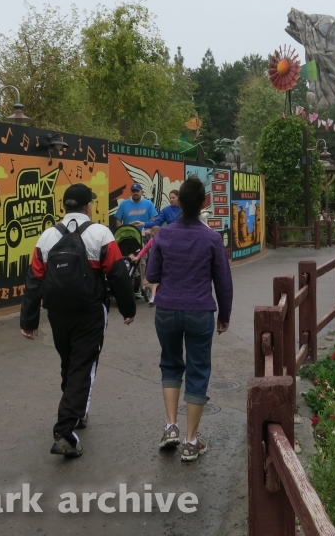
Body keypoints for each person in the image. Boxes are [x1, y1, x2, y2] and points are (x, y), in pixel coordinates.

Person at [20, 183, 136, 458]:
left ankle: (76, 412)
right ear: (88, 206)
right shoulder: (100, 233)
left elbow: (34, 279)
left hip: (57, 313)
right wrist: (128, 309)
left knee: (69, 362)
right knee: (83, 367)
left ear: (64, 207)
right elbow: (117, 274)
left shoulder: (47, 237)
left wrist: (29, 321)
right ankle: (64, 432)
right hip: (90, 311)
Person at [145, 177, 233, 462]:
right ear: (204, 203)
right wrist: (225, 315)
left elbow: (153, 275)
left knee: (170, 364)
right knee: (198, 370)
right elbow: (223, 282)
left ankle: (170, 426)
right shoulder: (212, 238)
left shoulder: (164, 235)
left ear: (179, 202)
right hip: (200, 312)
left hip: (166, 310)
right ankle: (191, 441)